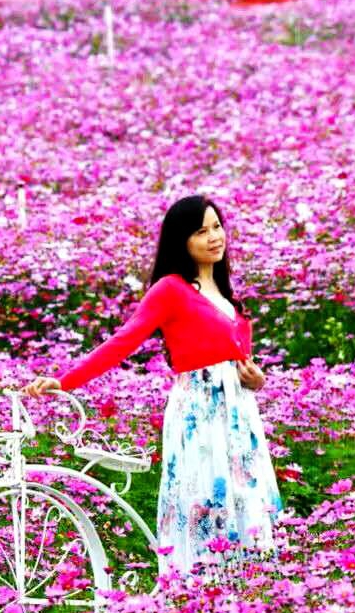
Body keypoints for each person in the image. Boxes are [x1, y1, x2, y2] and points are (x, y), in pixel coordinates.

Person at [22, 195, 284, 580]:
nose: (213, 237)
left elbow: (244, 364)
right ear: (182, 240)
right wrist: (64, 381)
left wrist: (256, 380)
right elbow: (122, 342)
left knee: (243, 495)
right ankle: (197, 585)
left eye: (216, 227)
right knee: (202, 498)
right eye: (200, 231)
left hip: (239, 413)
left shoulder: (231, 300)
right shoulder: (171, 290)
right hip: (198, 409)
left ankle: (249, 588)